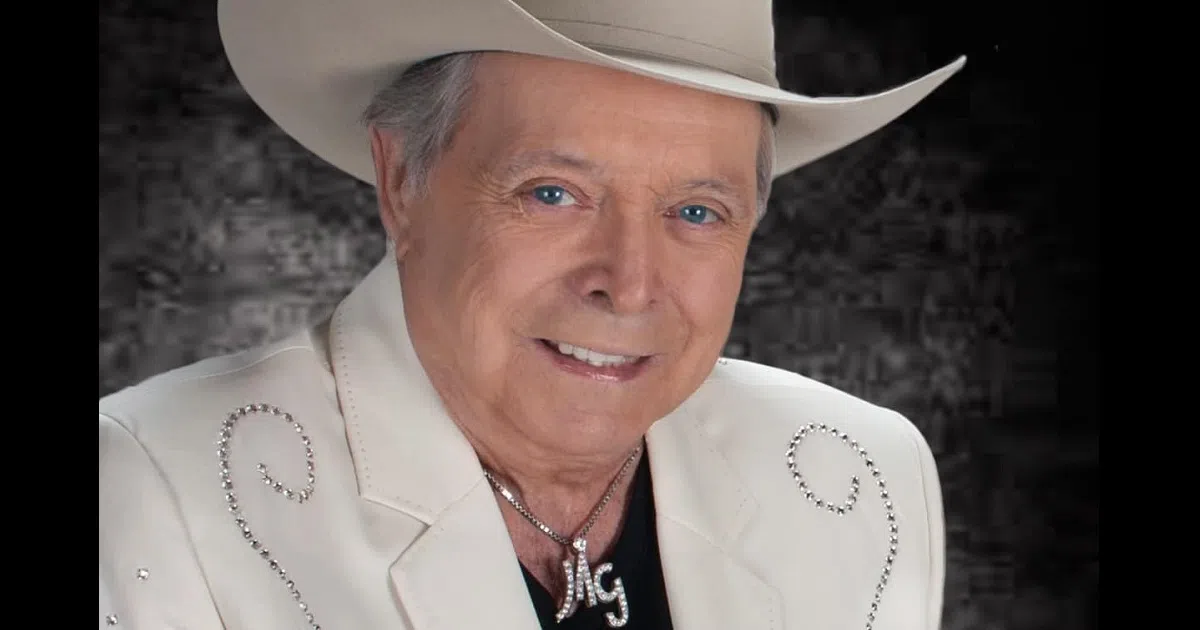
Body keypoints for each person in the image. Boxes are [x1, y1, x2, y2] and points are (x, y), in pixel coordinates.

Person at [98, 0, 966, 628]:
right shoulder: (153, 484)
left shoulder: (862, 479)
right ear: (402, 183)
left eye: (697, 212)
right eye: (553, 193)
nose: (629, 285)